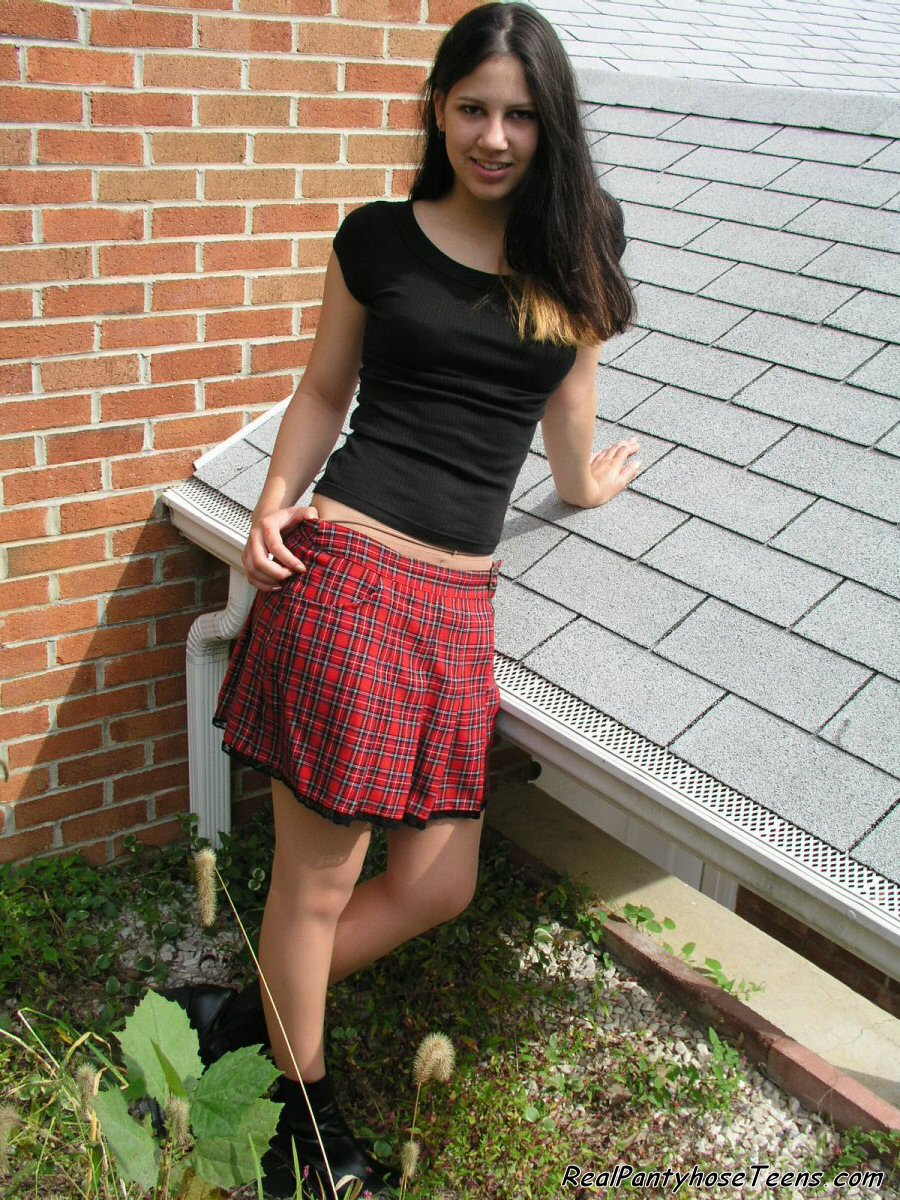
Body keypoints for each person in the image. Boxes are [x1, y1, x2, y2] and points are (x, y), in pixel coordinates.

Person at [172, 3, 639, 1195]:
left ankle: (248, 1018)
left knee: (440, 884)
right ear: (437, 108)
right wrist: (271, 501)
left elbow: (568, 415)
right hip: (350, 583)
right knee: (316, 884)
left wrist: (586, 486)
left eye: (520, 115)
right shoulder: (378, 239)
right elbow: (323, 391)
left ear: (551, 124)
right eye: (472, 108)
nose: (494, 137)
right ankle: (304, 1130)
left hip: (457, 609)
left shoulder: (579, 250)